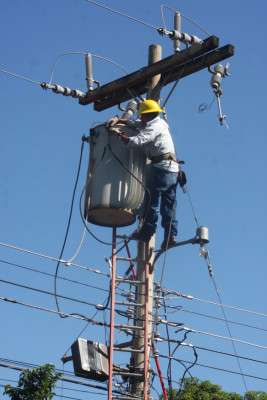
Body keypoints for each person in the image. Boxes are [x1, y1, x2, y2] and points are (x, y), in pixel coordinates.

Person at [106, 99, 186, 249]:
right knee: (169, 207)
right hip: (173, 170)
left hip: (162, 169)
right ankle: (171, 236)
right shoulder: (156, 122)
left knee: (151, 202)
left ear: (148, 115)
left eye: (142, 115)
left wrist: (119, 135)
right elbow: (136, 122)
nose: (140, 117)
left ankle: (146, 232)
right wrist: (119, 119)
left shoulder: (154, 128)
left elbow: (134, 142)